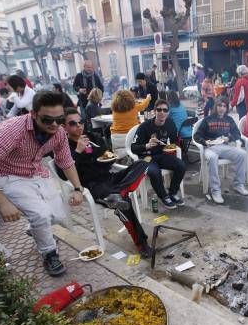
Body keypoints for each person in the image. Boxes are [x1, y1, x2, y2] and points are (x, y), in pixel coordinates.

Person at [0, 91, 85, 277]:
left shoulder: (59, 132)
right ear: (34, 114)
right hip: (7, 175)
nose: (54, 124)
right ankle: (49, 254)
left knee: (58, 215)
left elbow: (66, 161)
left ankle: (34, 229)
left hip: (35, 172)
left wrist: (78, 189)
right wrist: (2, 202)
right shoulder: (13, 130)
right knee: (41, 215)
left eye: (59, 119)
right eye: (47, 120)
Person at [61, 108, 151, 256]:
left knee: (144, 164)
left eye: (81, 122)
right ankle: (142, 244)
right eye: (73, 123)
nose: (79, 126)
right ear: (64, 127)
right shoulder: (63, 147)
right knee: (124, 205)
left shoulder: (92, 137)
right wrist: (77, 152)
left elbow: (108, 158)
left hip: (110, 178)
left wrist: (104, 154)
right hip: (93, 186)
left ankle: (119, 193)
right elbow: (64, 175)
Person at [130, 99, 186, 209]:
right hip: (146, 157)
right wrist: (146, 145)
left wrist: (175, 146)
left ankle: (172, 193)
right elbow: (133, 148)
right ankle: (164, 196)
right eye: (159, 110)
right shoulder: (144, 127)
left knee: (181, 165)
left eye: (165, 110)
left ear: (168, 112)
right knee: (155, 172)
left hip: (162, 154)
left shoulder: (170, 123)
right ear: (154, 111)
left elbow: (174, 140)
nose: (162, 112)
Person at [193, 96, 248, 204]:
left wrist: (229, 138)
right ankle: (216, 191)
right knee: (213, 158)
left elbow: (237, 134)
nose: (222, 108)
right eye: (219, 105)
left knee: (242, 154)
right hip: (210, 148)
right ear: (215, 106)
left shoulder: (229, 120)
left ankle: (238, 184)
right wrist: (205, 142)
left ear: (227, 108)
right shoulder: (208, 119)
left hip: (224, 146)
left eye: (224, 106)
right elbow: (197, 136)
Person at [110, 90, 151, 156]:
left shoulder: (114, 109)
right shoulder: (134, 106)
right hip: (130, 137)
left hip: (115, 137)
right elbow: (143, 105)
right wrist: (148, 98)